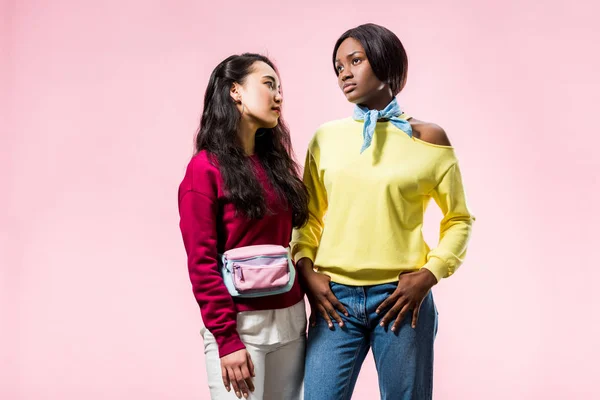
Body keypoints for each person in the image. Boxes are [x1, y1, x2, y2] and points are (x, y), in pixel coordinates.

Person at [291, 23, 475, 400]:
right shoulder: (325, 138)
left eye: (354, 60)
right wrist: (306, 271)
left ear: (385, 62)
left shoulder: (429, 139)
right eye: (338, 66)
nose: (344, 72)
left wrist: (429, 274)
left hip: (401, 299)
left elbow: (458, 219)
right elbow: (307, 218)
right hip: (335, 302)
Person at [178, 53, 308, 400]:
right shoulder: (203, 170)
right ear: (235, 91)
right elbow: (201, 263)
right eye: (269, 85)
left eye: (280, 87)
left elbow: (294, 242)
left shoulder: (278, 167)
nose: (278, 95)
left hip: (292, 323)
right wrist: (226, 339)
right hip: (241, 328)